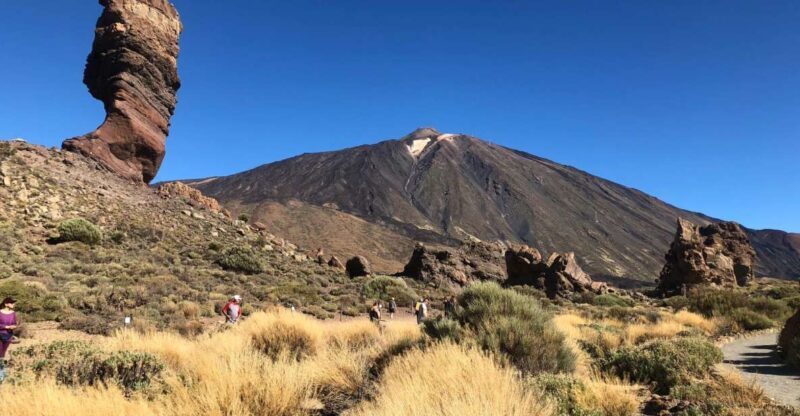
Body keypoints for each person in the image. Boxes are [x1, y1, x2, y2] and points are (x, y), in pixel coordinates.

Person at [0, 297, 18, 383]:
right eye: (12, 303)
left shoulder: (13, 313)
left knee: (3, 355)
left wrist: (13, 326)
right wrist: (6, 327)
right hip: (0, 334)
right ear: (6, 304)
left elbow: (14, 323)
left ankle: (2, 376)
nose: (13, 304)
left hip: (8, 335)